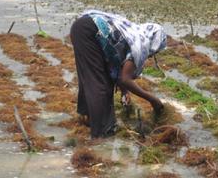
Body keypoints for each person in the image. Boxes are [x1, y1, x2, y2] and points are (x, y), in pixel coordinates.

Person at [69, 10, 167, 138]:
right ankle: (101, 135)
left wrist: (124, 92)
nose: (153, 54)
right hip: (89, 31)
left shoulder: (134, 33)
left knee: (90, 78)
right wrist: (152, 99)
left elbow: (119, 66)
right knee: (100, 84)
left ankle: (88, 119)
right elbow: (124, 78)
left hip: (82, 27)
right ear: (155, 42)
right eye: (156, 50)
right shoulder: (140, 45)